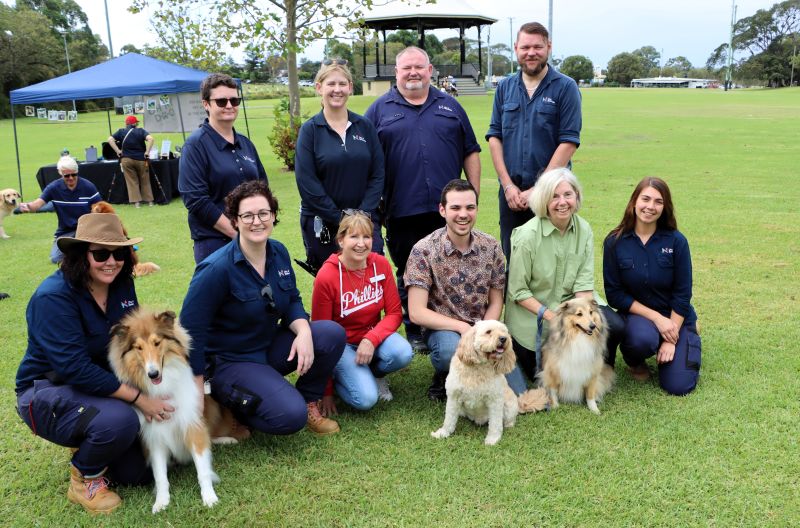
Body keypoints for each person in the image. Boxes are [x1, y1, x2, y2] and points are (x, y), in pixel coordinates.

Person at [14, 213, 175, 514]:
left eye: (119, 253)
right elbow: (73, 368)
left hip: (98, 383)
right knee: (120, 421)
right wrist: (140, 399)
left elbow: (133, 345)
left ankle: (92, 436)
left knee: (135, 474)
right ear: (80, 255)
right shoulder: (52, 298)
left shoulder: (122, 284)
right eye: (100, 254)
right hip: (46, 390)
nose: (111, 262)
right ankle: (83, 477)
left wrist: (159, 386)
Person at [180, 180, 346, 436]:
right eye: (247, 215)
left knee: (330, 334)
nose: (256, 221)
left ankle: (307, 399)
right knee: (291, 417)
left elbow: (291, 299)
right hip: (231, 361)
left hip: (267, 347)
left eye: (263, 213)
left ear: (273, 216)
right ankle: (232, 409)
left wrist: (303, 331)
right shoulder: (216, 269)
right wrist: (197, 390)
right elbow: (191, 332)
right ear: (235, 220)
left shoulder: (278, 251)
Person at [365, 46, 481, 352]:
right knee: (408, 270)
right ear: (397, 72)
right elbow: (365, 159)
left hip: (447, 209)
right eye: (406, 68)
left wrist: (473, 196)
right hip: (401, 207)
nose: (413, 73)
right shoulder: (379, 110)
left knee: (450, 267)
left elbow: (471, 150)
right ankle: (415, 327)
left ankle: (447, 321)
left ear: (430, 71)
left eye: (419, 67)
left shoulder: (451, 107)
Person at [504, 168, 624, 393]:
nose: (562, 202)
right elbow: (518, 292)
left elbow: (583, 284)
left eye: (568, 195)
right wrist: (554, 318)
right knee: (540, 372)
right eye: (554, 196)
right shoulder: (527, 235)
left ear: (576, 197)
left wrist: (586, 320)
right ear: (544, 200)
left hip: (575, 306)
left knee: (613, 326)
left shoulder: (584, 229)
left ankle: (598, 363)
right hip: (534, 315)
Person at [486, 22, 582, 260]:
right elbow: (495, 136)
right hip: (511, 195)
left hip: (552, 193)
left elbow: (568, 141)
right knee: (514, 257)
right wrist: (507, 185)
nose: (531, 53)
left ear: (548, 47)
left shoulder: (565, 87)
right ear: (516, 48)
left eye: (537, 47)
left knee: (552, 259)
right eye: (525, 47)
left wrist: (540, 188)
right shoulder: (505, 87)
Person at [404, 179, 506, 401]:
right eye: (455, 208)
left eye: (470, 207)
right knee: (449, 351)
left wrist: (486, 331)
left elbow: (496, 300)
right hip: (444, 328)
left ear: (477, 209)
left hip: (482, 326)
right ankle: (445, 377)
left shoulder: (492, 247)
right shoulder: (423, 250)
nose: (463, 214)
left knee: (511, 389)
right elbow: (416, 312)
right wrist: (463, 328)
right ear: (442, 210)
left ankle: (478, 375)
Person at [603, 177, 701, 396]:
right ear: (634, 202)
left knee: (678, 386)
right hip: (640, 316)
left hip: (677, 316)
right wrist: (657, 319)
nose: (650, 206)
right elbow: (615, 295)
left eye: (658, 201)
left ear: (665, 207)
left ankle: (688, 335)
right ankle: (636, 362)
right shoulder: (615, 241)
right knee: (641, 341)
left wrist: (670, 336)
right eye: (645, 199)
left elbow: (683, 293)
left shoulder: (677, 241)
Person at [312, 213, 412, 413]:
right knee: (365, 399)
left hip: (372, 338)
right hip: (342, 345)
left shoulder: (380, 264)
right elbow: (320, 335)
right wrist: (326, 391)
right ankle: (342, 379)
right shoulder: (327, 276)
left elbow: (394, 313)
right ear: (341, 240)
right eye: (353, 237)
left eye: (366, 237)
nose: (361, 244)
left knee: (403, 353)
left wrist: (371, 339)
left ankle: (374, 374)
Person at [294, 60, 384, 273]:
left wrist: (360, 217)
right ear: (319, 88)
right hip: (324, 224)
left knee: (369, 283)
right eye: (331, 84)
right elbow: (307, 183)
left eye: (342, 84)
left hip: (366, 222)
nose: (337, 90)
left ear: (350, 87)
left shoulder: (364, 126)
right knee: (334, 289)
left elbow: (378, 174)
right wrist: (343, 220)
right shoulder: (310, 131)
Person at [179, 73, 269, 264]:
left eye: (234, 100)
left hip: (253, 238)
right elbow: (195, 200)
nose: (229, 106)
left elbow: (263, 189)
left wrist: (258, 226)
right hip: (215, 243)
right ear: (206, 104)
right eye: (221, 101)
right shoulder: (195, 145)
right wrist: (236, 232)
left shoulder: (246, 144)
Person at [18, 156, 101, 263]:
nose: (71, 178)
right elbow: (38, 204)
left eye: (74, 174)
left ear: (77, 171)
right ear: (60, 173)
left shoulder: (88, 187)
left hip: (87, 230)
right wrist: (28, 207)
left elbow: (101, 207)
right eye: (66, 175)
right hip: (65, 231)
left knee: (93, 253)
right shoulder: (53, 187)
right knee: (55, 259)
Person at [108, 115, 155, 207]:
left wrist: (118, 151)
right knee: (145, 180)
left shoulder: (121, 131)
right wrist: (147, 151)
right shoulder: (141, 131)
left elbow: (110, 139)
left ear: (127, 124)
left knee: (132, 181)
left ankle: (137, 203)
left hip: (126, 159)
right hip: (141, 159)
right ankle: (150, 201)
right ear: (134, 123)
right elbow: (151, 139)